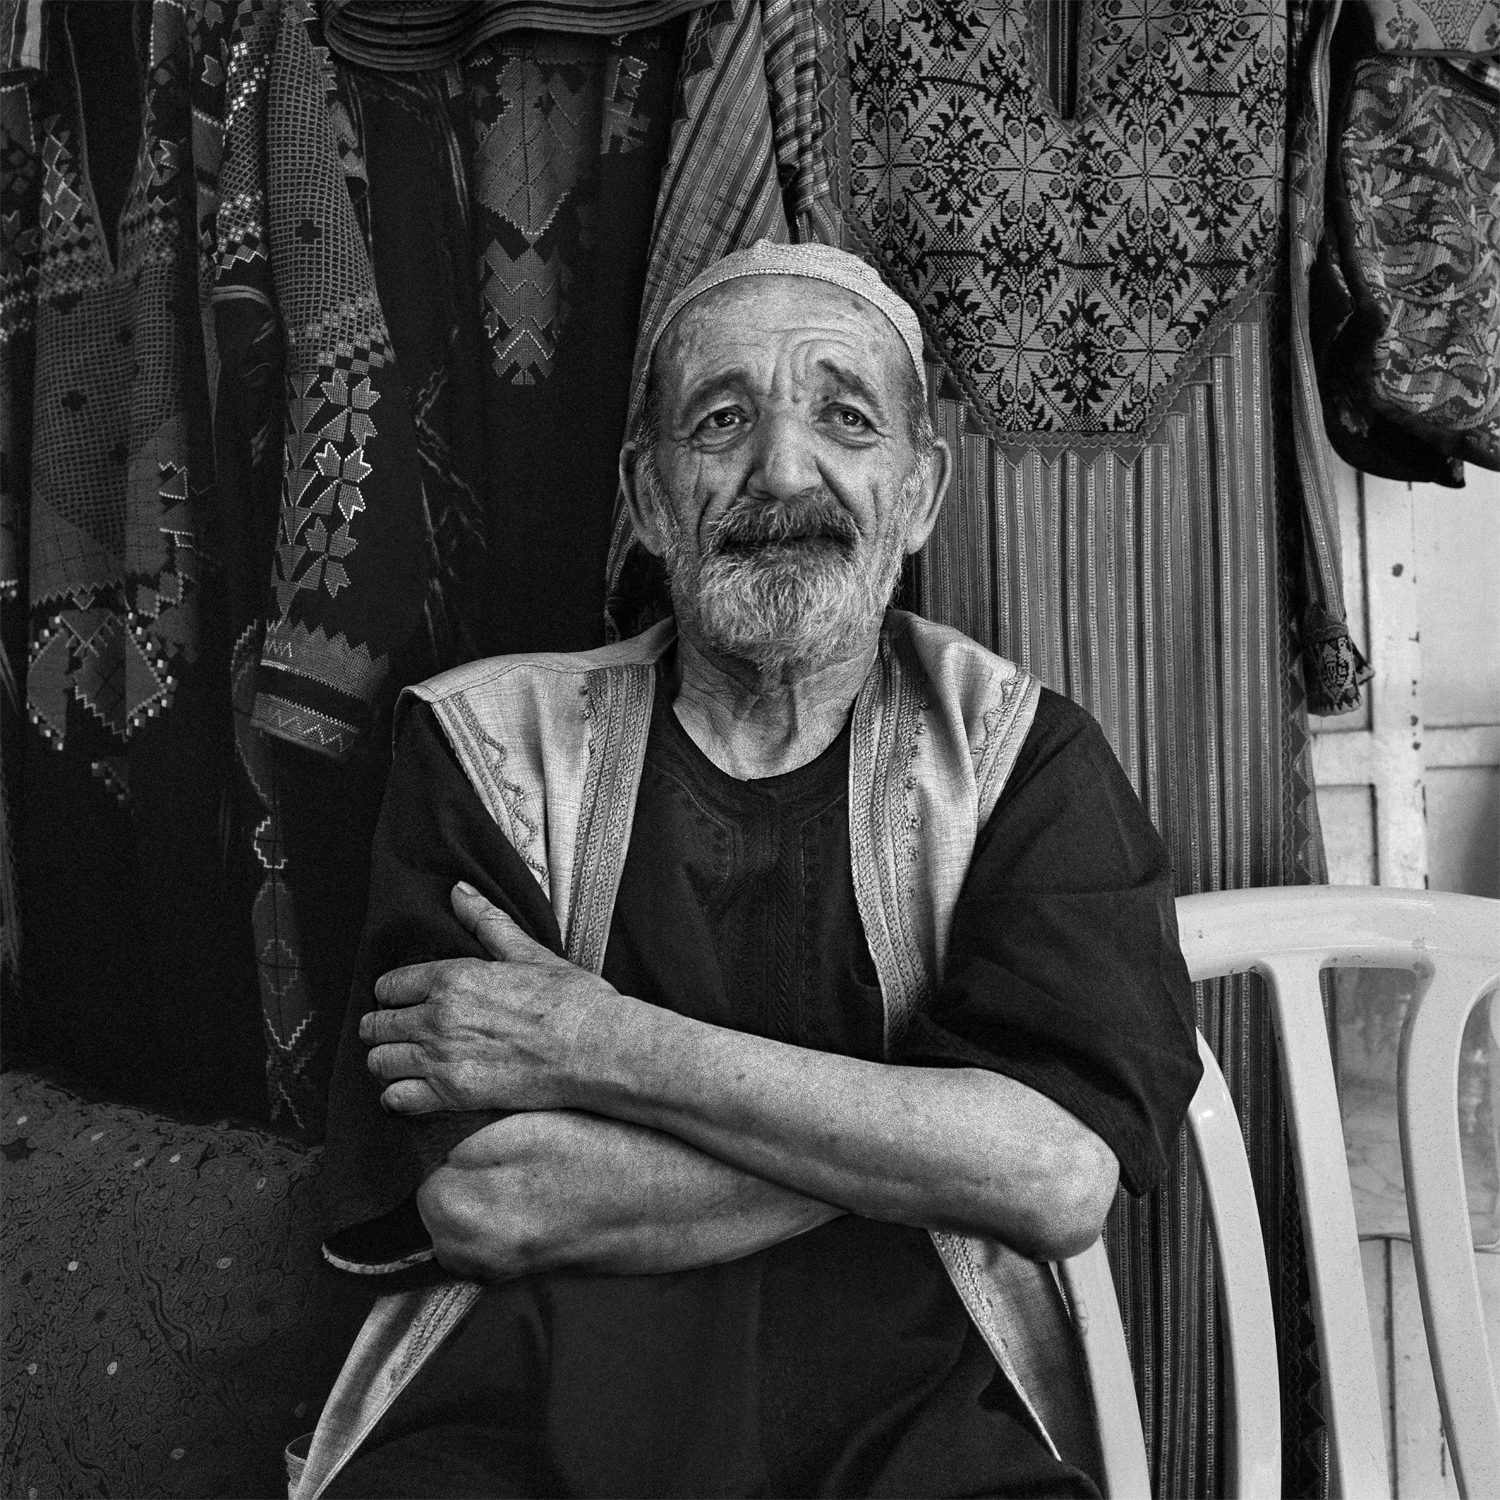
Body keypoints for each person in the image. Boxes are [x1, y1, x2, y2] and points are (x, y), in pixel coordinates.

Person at [300, 241, 1204, 1500]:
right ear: (653, 494)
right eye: (721, 421)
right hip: (525, 1420)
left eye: (846, 416)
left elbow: (1054, 1179)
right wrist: (925, 1133)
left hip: (916, 1431)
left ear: (920, 491)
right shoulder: (484, 744)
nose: (784, 468)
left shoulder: (1019, 757)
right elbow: (492, 1202)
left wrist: (601, 1048)